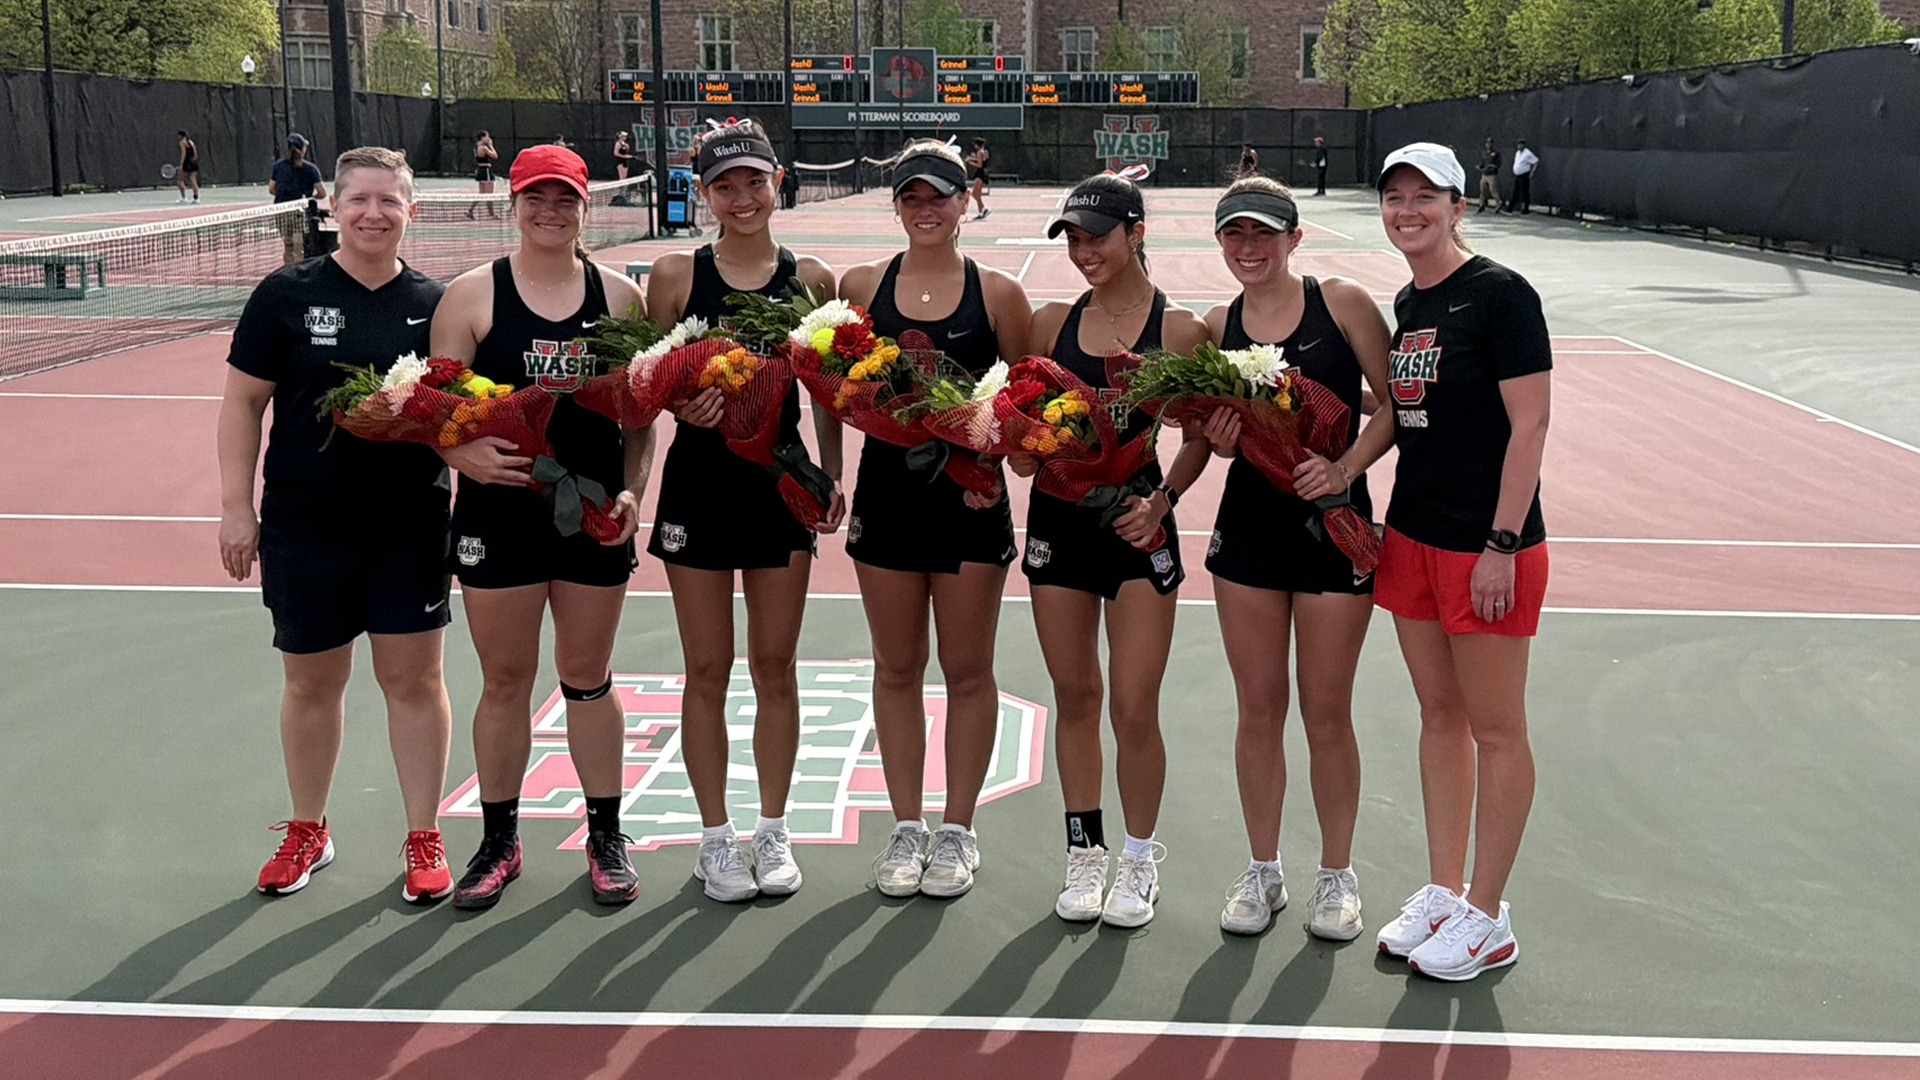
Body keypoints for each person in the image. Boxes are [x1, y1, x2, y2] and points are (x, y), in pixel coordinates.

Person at [218, 147, 456, 904]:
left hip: (409, 524)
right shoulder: (284, 296)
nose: (374, 213)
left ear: (411, 212)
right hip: (304, 524)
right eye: (360, 200)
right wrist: (236, 508)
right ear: (333, 206)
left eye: (390, 201)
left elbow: (460, 410)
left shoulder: (436, 305)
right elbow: (242, 406)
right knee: (311, 683)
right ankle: (309, 829)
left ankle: (424, 835)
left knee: (414, 682)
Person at [430, 144, 653, 911]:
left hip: (590, 518)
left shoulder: (621, 298)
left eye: (564, 200)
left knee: (588, 677)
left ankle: (605, 834)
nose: (549, 212)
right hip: (499, 518)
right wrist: (464, 457)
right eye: (535, 198)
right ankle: (499, 841)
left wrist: (631, 493)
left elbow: (639, 421)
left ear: (587, 207)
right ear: (512, 203)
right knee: (504, 681)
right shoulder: (470, 297)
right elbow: (436, 413)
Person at [641, 118, 841, 903]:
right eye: (725, 185)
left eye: (755, 181)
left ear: (778, 182)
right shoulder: (675, 274)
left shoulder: (813, 279)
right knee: (706, 669)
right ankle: (716, 838)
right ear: (705, 193)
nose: (742, 197)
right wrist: (676, 405)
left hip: (779, 489)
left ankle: (773, 828)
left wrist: (829, 471)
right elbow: (643, 387)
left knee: (775, 667)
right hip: (698, 488)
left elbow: (829, 390)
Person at [1194, 176, 1395, 940]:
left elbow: (1395, 407)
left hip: (1334, 527)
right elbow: (1210, 433)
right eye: (1234, 235)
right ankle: (1263, 870)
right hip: (1248, 531)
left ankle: (1337, 877)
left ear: (1294, 238)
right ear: (1220, 243)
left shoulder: (1342, 303)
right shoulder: (1218, 326)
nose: (1249, 248)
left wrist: (1343, 470)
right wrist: (1213, 442)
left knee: (1325, 711)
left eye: (1263, 234)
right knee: (1258, 709)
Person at [1370, 142, 1551, 981]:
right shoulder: (1408, 301)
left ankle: (1487, 914)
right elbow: (1407, 420)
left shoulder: (1502, 295)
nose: (1408, 211)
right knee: (1438, 717)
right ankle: (1445, 891)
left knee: (1495, 728)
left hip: (1487, 546)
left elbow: (1531, 425)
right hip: (1411, 535)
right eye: (1395, 197)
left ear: (1458, 206)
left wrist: (1502, 544)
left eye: (1425, 198)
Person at [836, 141, 1033, 899]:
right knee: (895, 668)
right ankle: (907, 824)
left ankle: (958, 830)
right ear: (896, 204)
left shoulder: (1000, 295)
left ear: (966, 201)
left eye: (940, 196)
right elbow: (839, 389)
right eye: (912, 196)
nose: (926, 208)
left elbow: (1020, 407)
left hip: (970, 505)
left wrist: (998, 452)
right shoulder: (862, 286)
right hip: (887, 499)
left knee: (968, 670)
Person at [1017, 173, 1212, 928]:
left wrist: (1163, 503)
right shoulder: (1049, 324)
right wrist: (1024, 454)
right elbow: (1024, 426)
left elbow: (1198, 440)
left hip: (1138, 527)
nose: (1083, 251)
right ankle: (1084, 853)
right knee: (1076, 697)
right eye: (1071, 237)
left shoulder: (1182, 329)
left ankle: (1137, 859)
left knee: (1134, 705)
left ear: (1135, 233)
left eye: (1096, 235)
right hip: (1057, 523)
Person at [269, 134, 326, 265]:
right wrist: (309, 199)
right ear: (303, 149)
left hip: (281, 210)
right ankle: (299, 273)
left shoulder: (278, 167)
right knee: (299, 247)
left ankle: (288, 271)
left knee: (288, 245)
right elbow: (322, 193)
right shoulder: (311, 169)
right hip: (300, 212)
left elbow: (272, 189)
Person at [467, 131, 500, 220]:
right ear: (482, 138)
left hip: (481, 171)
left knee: (481, 194)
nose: (488, 139)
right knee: (490, 194)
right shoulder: (484, 148)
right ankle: (492, 214)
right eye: (487, 137)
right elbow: (495, 156)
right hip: (486, 172)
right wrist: (491, 146)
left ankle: (470, 210)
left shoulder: (476, 147)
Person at [1507, 139, 1538, 214]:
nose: (1519, 146)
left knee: (1524, 192)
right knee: (1515, 191)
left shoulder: (1527, 153)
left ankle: (1525, 209)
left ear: (1524, 145)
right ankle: (1510, 208)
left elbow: (1536, 161)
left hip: (1524, 175)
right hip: (1517, 175)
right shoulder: (1517, 153)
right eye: (1518, 145)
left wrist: (1532, 172)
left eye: (1520, 144)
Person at [965, 138, 992, 220]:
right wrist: (971, 159)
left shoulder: (979, 152)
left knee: (974, 193)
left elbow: (979, 165)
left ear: (977, 145)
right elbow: (982, 161)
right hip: (983, 173)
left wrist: (970, 162)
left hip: (980, 174)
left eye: (975, 144)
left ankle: (984, 209)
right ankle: (982, 212)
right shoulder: (985, 151)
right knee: (976, 194)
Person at [1477, 138, 1502, 214]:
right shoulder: (1484, 153)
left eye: (1490, 143)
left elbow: (1498, 164)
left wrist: (1491, 167)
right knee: (1482, 191)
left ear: (1492, 144)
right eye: (1487, 143)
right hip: (1484, 175)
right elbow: (1482, 162)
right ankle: (1482, 205)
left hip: (1492, 175)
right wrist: (1480, 166)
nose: (1488, 144)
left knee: (1493, 190)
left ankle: (1499, 203)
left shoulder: (1496, 153)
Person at [176, 130, 201, 203]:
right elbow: (195, 154)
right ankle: (196, 199)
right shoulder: (191, 142)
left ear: (180, 136)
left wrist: (181, 164)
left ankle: (184, 198)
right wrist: (193, 161)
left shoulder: (182, 143)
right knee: (193, 180)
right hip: (193, 163)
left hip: (186, 163)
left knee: (180, 180)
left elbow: (184, 154)